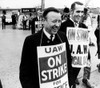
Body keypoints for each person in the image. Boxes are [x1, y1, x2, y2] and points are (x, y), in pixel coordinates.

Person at [19, 7, 74, 88]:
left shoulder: (62, 36)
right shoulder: (31, 41)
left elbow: (68, 63)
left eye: (59, 21)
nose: (57, 25)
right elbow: (25, 73)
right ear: (44, 21)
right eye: (54, 21)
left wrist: (70, 82)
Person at [60, 1, 93, 88]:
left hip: (77, 64)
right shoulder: (62, 26)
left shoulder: (84, 27)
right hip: (65, 66)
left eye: (82, 12)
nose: (80, 14)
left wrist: (88, 58)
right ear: (71, 12)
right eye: (78, 11)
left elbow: (85, 46)